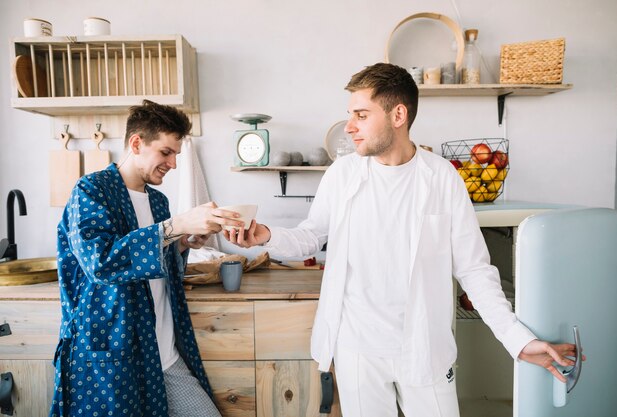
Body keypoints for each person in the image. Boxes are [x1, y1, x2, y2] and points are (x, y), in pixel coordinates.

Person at [224, 63, 582, 417]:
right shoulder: (342, 174)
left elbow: (474, 270)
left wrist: (517, 339)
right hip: (357, 348)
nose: (349, 127)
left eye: (361, 115)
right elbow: (310, 236)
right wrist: (265, 235)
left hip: (424, 346)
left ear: (398, 114)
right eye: (351, 115)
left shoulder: (442, 178)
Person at [50, 100, 243, 417]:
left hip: (164, 353)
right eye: (166, 152)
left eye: (176, 154)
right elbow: (101, 263)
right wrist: (176, 226)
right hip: (115, 357)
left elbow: (158, 266)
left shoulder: (158, 201)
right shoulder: (91, 190)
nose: (174, 163)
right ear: (136, 143)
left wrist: (183, 243)